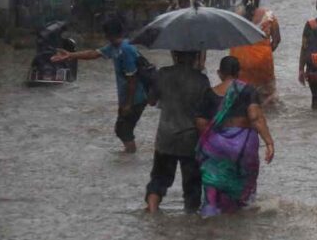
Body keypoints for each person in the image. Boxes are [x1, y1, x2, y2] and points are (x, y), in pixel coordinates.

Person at [53, 15, 148, 153]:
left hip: (136, 97)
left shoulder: (125, 50)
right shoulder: (115, 47)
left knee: (123, 130)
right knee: (122, 130)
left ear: (108, 34)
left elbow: (132, 80)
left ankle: (130, 156)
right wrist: (70, 55)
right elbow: (94, 53)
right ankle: (129, 157)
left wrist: (128, 104)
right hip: (129, 96)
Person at [196, 56, 275, 216]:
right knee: (244, 188)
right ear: (239, 72)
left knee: (214, 185)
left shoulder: (209, 93)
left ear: (219, 73)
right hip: (243, 147)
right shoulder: (248, 90)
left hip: (216, 146)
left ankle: (212, 215)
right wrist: (269, 142)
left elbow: (201, 123)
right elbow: (255, 117)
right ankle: (240, 219)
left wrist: (212, 144)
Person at [145, 50, 210, 213]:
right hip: (190, 139)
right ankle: (190, 220)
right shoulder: (201, 80)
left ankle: (152, 212)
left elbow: (151, 101)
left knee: (159, 178)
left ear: (175, 55)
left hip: (165, 136)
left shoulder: (163, 74)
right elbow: (206, 111)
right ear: (196, 56)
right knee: (192, 184)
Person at [229, 0, 280, 103]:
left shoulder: (234, 17)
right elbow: (276, 41)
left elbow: (230, 40)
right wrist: (265, 53)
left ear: (243, 2)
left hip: (240, 65)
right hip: (263, 65)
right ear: (258, 2)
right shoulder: (269, 16)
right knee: (267, 101)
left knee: (242, 101)